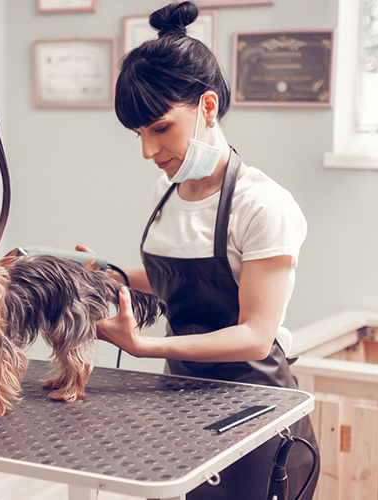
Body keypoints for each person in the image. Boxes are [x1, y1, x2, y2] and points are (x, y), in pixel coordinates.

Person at [79, 2, 319, 499]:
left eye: (160, 128)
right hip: (183, 401)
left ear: (207, 107)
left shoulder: (263, 205)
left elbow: (254, 335)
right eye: (139, 134)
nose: (148, 151)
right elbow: (176, 280)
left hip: (254, 408)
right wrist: (103, 274)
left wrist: (147, 347)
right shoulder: (165, 192)